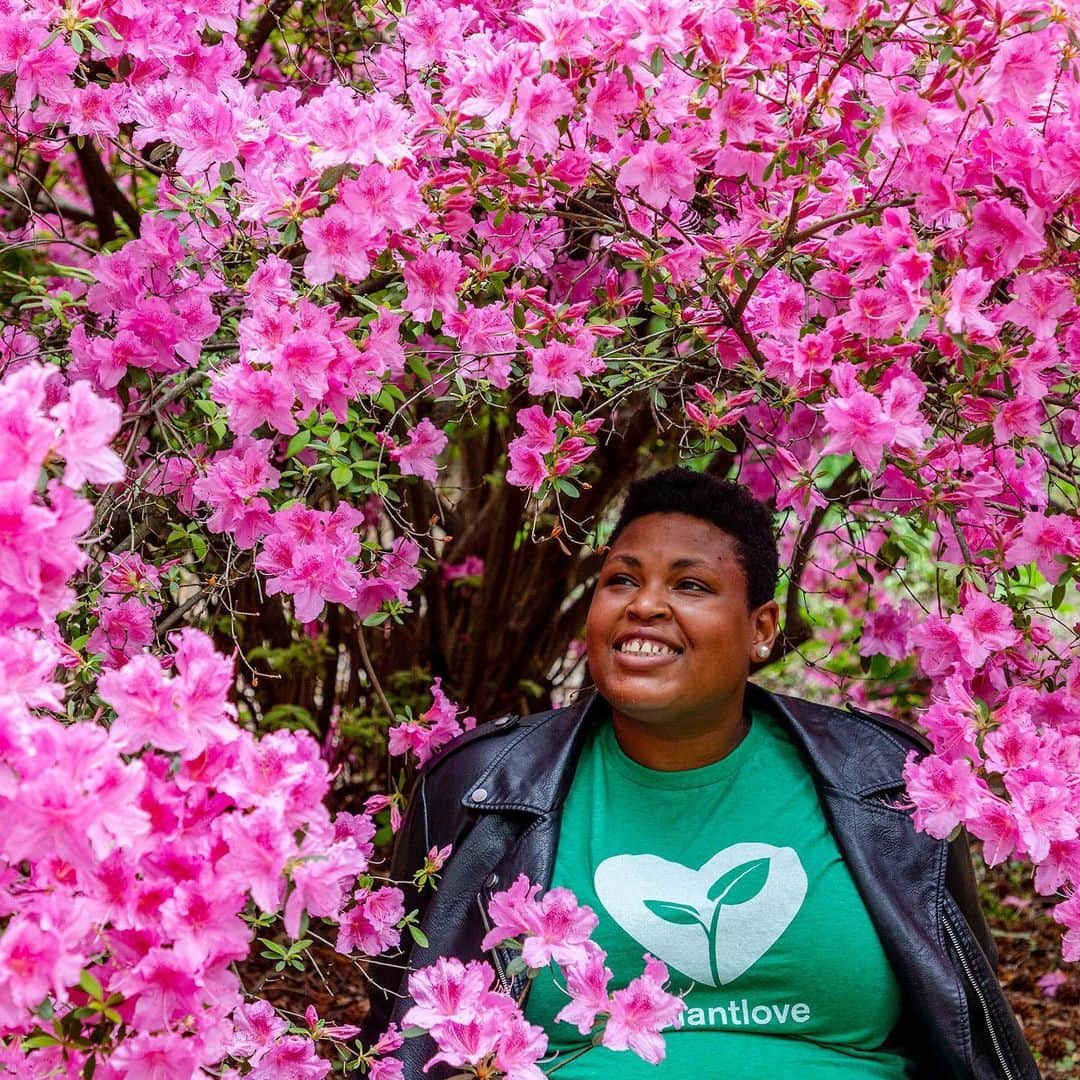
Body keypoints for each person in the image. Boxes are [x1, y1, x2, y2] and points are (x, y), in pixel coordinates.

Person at [362, 467, 1039, 1079]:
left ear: (762, 628)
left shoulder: (886, 781)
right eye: (622, 580)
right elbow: (406, 1028)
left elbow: (965, 1014)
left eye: (690, 585)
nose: (645, 605)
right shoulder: (482, 787)